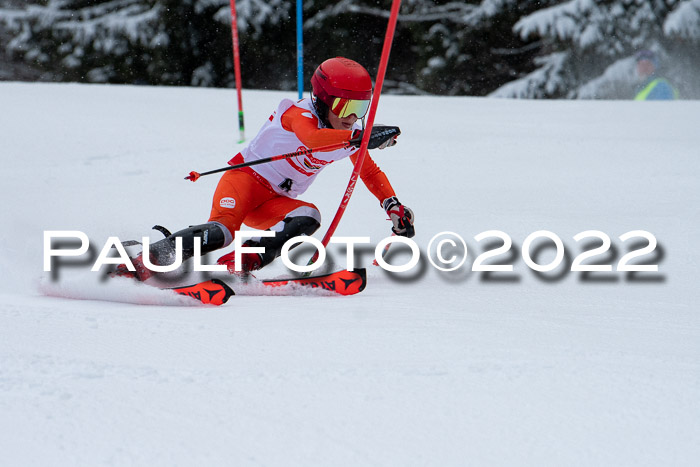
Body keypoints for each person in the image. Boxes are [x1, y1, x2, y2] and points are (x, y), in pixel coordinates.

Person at [115, 57, 415, 281]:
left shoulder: (347, 135)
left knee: (308, 216)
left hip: (272, 203)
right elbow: (311, 138)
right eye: (344, 107)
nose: (351, 118)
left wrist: (393, 205)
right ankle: (144, 261)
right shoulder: (298, 114)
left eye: (359, 109)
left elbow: (369, 172)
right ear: (322, 101)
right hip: (244, 182)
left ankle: (240, 263)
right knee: (222, 231)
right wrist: (359, 136)